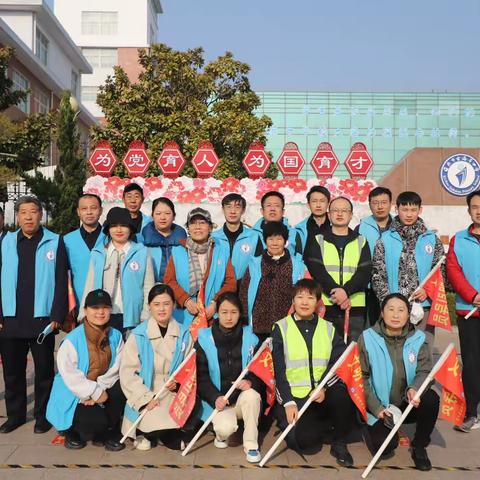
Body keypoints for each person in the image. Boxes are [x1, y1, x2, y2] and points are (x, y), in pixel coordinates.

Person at [0, 196, 68, 434]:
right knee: (12, 372)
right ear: (16, 216)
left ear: (41, 215)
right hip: (10, 319)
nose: (28, 217)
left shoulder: (54, 241)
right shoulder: (5, 242)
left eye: (33, 212)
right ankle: (15, 416)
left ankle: (42, 416)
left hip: (42, 321)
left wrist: (57, 315)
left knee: (44, 372)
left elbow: (61, 281)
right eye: (23, 212)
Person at [272, 279, 355, 466]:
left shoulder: (328, 328)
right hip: (296, 396)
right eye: (299, 297)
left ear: (317, 302)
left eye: (310, 298)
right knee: (307, 443)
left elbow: (339, 362)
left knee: (342, 394)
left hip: (321, 392)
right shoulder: (281, 328)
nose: (304, 302)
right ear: (292, 301)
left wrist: (324, 386)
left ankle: (339, 441)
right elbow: (278, 370)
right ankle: (317, 426)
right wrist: (288, 402)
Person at [357, 293, 439, 471]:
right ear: (382, 312)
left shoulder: (419, 339)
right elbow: (360, 377)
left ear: (408, 314)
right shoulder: (367, 338)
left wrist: (414, 389)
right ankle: (370, 427)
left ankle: (419, 446)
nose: (396, 315)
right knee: (385, 447)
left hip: (408, 403)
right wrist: (377, 408)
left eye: (401, 310)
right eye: (391, 309)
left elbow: (424, 370)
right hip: (381, 407)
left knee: (431, 398)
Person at [46, 289, 125, 451]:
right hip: (74, 393)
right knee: (93, 423)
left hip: (102, 389)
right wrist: (91, 391)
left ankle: (108, 430)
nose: (100, 312)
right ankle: (70, 430)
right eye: (95, 308)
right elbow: (70, 376)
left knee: (122, 387)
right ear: (85, 310)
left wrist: (99, 390)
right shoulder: (72, 340)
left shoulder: (116, 335)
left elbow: (118, 367)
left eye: (105, 307)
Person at [120, 283, 194, 450]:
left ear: (174, 305)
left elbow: (190, 367)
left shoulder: (184, 333)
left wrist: (180, 383)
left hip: (172, 390)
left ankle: (160, 434)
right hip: (148, 388)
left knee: (175, 415)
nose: (162, 309)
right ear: (149, 307)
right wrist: (145, 399)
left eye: (166, 304)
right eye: (156, 304)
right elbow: (128, 374)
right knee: (152, 414)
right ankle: (154, 433)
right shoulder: (138, 335)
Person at [196, 291, 263, 463]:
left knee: (253, 396)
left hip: (241, 400)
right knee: (225, 429)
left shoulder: (251, 339)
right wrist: (214, 397)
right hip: (220, 402)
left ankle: (251, 445)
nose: (229, 317)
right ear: (217, 313)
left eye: (234, 312)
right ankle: (220, 435)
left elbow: (260, 372)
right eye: (224, 312)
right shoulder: (204, 338)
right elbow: (200, 377)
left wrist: (250, 382)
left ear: (240, 313)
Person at [372, 191, 444, 340]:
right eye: (405, 210)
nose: (409, 214)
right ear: (396, 209)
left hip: (423, 306)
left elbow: (440, 269)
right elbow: (378, 273)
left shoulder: (431, 239)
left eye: (413, 210)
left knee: (423, 352)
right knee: (395, 353)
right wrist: (389, 302)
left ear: (420, 210)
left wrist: (428, 291)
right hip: (394, 309)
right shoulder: (385, 239)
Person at [304, 197, 371, 342]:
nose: (339, 214)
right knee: (325, 352)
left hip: (354, 307)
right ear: (328, 214)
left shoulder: (361, 241)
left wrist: (346, 292)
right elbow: (317, 271)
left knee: (352, 354)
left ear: (351, 215)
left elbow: (364, 272)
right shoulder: (318, 240)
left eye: (344, 210)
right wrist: (336, 292)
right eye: (335, 210)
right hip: (325, 305)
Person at [81, 207, 155, 334]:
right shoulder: (98, 253)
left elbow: (148, 286)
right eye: (114, 226)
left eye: (123, 225)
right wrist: (84, 314)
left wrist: (146, 315)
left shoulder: (142, 252)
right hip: (103, 315)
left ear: (130, 228)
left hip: (132, 317)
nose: (119, 230)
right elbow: (90, 285)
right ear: (108, 229)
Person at [164, 207, 236, 326]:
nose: (197, 227)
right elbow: (169, 280)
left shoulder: (221, 251)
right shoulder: (178, 251)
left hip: (214, 315)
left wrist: (215, 303)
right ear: (188, 228)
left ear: (210, 227)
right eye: (193, 223)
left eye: (202, 223)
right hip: (185, 315)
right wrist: (186, 300)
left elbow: (230, 282)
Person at [240, 221, 308, 343]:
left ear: (285, 241)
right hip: (258, 326)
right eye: (270, 239)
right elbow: (244, 291)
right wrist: (244, 317)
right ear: (265, 241)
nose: (275, 243)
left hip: (288, 325)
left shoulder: (297, 265)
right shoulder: (255, 264)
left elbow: (306, 293)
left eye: (279, 239)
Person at [446, 189, 480, 432]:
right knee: (471, 363)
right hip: (469, 312)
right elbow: (453, 271)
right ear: (468, 210)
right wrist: (473, 296)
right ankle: (471, 412)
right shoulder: (458, 239)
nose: (479, 211)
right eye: (475, 206)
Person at [356, 187, 393, 326]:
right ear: (369, 205)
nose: (380, 206)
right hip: (369, 288)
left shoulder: (399, 226)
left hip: (393, 286)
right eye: (375, 202)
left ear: (390, 204)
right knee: (371, 327)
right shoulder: (360, 228)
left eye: (384, 202)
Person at [64, 194, 106, 311]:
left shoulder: (110, 238)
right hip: (78, 302)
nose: (89, 212)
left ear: (101, 210)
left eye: (93, 208)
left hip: (106, 302)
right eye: (84, 209)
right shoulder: (67, 240)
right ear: (78, 212)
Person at [212, 193, 259, 281]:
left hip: (245, 288)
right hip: (219, 289)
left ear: (243, 210)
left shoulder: (254, 237)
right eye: (228, 207)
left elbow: (259, 265)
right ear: (223, 209)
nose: (233, 211)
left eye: (237, 207)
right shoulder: (213, 238)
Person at [142, 197, 187, 282]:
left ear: (174, 216)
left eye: (167, 213)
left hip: (179, 290)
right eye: (158, 213)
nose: (162, 217)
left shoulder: (184, 242)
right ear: (152, 216)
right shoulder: (142, 240)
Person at [252, 191, 302, 256]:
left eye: (277, 206)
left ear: (283, 211)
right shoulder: (251, 235)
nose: (272, 209)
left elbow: (299, 258)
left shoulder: (293, 234)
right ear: (262, 211)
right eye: (269, 205)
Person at [295, 185, 331, 254]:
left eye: (322, 201)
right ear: (308, 205)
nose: (318, 205)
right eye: (314, 201)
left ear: (328, 204)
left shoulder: (336, 225)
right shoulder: (299, 229)